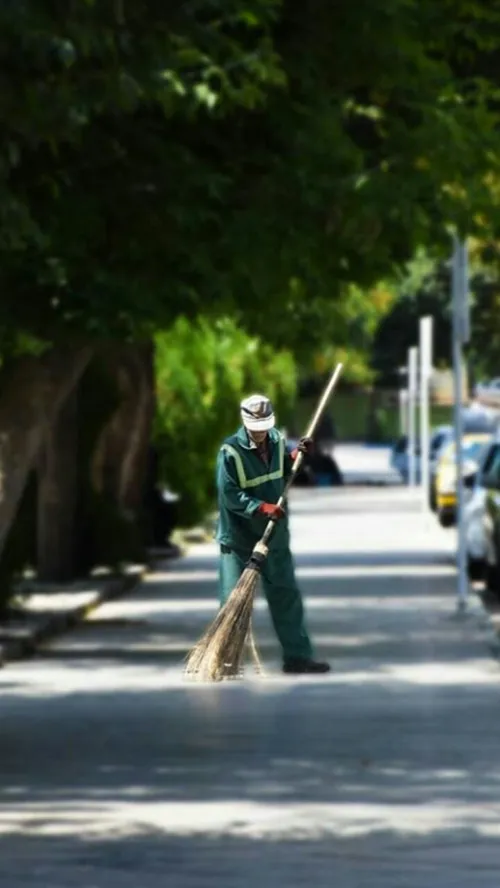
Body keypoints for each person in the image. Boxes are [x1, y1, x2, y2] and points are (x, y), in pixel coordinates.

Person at [215, 393, 330, 675]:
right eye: (257, 427)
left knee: (286, 597)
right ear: (245, 423)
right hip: (239, 540)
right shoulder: (230, 453)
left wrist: (297, 456)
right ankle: (224, 661)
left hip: (274, 538)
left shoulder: (277, 441)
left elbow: (283, 471)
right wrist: (260, 507)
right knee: (233, 602)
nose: (261, 432)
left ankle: (298, 657)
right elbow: (229, 494)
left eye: (265, 425)